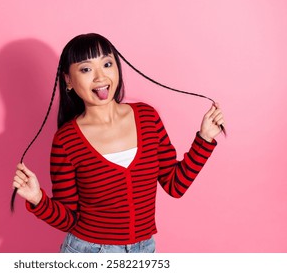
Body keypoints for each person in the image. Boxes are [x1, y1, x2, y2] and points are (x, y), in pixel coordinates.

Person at [12, 33, 225, 253]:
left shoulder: (147, 117)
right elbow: (69, 220)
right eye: (86, 69)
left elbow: (175, 184)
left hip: (144, 249)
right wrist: (38, 199)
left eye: (107, 63)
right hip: (89, 253)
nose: (100, 76)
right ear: (68, 80)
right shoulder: (67, 140)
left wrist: (204, 138)